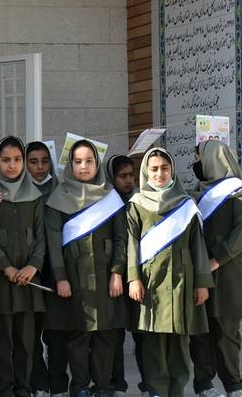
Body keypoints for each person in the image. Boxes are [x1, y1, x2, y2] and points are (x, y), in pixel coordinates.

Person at [126, 148, 213, 397]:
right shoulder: (137, 204)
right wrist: (133, 278)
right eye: (154, 169)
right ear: (146, 172)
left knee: (180, 342)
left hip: (181, 282)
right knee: (153, 342)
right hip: (150, 281)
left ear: (172, 170)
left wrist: (201, 282)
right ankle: (157, 389)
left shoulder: (186, 204)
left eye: (165, 168)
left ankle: (177, 389)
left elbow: (198, 246)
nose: (159, 173)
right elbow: (131, 244)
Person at [46, 140, 128, 397]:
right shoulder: (58, 197)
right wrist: (60, 277)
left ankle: (103, 386)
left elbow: (121, 238)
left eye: (89, 161)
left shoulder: (111, 197)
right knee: (78, 336)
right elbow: (53, 242)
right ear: (70, 164)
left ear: (97, 163)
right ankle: (80, 386)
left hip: (106, 277)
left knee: (106, 335)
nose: (84, 166)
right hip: (74, 278)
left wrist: (117, 272)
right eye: (78, 161)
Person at [0, 136, 46, 397]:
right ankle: (5, 389)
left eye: (17, 159)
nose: (12, 165)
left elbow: (41, 235)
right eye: (6, 160)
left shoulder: (35, 195)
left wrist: (33, 266)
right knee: (1, 341)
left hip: (28, 279)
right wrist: (5, 267)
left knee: (26, 342)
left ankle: (24, 389)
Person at [189, 140, 242, 397]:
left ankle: (234, 385)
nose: (196, 164)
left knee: (226, 333)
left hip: (228, 273)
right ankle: (204, 385)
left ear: (211, 160)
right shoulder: (196, 193)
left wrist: (216, 260)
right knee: (200, 332)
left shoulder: (238, 192)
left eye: (198, 158)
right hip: (199, 272)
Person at [102, 154, 142, 397]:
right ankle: (116, 383)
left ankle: (149, 384)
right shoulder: (104, 202)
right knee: (114, 334)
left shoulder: (141, 200)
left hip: (138, 278)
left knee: (142, 334)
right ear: (111, 177)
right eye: (122, 176)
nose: (129, 180)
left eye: (131, 175)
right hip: (114, 276)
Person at [25, 141, 61, 397]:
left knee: (57, 332)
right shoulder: (20, 191)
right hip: (30, 269)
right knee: (31, 331)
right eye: (33, 161)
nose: (40, 167)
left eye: (44, 161)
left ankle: (58, 385)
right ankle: (39, 382)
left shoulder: (60, 190)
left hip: (57, 269)